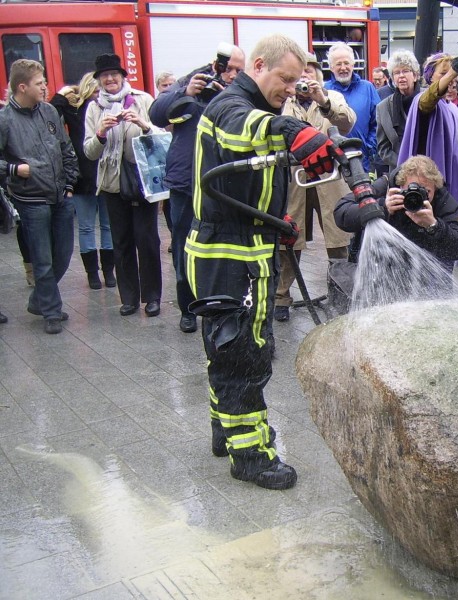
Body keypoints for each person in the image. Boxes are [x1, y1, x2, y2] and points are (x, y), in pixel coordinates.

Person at [187, 34, 345, 490]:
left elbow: (246, 182)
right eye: (285, 79)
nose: (291, 89)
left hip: (237, 246)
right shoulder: (230, 107)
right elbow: (243, 128)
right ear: (258, 65)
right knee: (245, 354)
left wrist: (278, 225)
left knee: (223, 345)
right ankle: (252, 455)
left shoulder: (260, 110)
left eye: (298, 82)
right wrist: (297, 132)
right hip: (230, 255)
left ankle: (226, 431)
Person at [149, 44, 245, 333]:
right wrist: (186, 92)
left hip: (223, 186)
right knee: (183, 250)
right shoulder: (192, 82)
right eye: (229, 68)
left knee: (224, 248)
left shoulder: (240, 93)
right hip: (186, 185)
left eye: (239, 70)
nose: (233, 74)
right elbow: (157, 114)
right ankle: (188, 308)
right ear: (216, 64)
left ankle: (222, 304)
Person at [274, 52, 355, 323]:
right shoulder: (282, 100)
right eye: (301, 73)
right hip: (294, 177)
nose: (306, 78)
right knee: (289, 237)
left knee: (338, 237)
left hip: (329, 176)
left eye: (311, 72)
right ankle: (281, 297)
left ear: (320, 76)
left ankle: (341, 294)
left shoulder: (332, 97)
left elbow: (347, 122)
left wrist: (322, 100)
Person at [0, 59, 78, 334]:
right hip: (31, 200)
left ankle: (39, 300)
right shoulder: (4, 119)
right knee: (42, 260)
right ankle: (51, 312)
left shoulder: (48, 112)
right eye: (39, 83)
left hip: (61, 195)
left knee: (64, 254)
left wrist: (70, 185)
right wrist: (13, 169)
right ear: (22, 87)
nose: (46, 87)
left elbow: (65, 148)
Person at [84, 53, 162, 317]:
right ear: (98, 81)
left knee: (147, 240)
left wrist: (143, 124)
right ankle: (129, 298)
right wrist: (100, 134)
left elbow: (161, 138)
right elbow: (89, 152)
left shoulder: (142, 100)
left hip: (142, 182)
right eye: (104, 76)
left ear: (122, 76)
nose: (109, 79)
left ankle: (153, 297)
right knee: (122, 242)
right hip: (112, 184)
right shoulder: (94, 108)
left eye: (113, 74)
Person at [335, 155, 458, 268]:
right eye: (411, 189)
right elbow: (341, 212)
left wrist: (434, 226)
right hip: (381, 263)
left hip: (424, 269)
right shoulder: (386, 186)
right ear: (400, 185)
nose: (417, 197)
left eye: (426, 192)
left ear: (435, 187)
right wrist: (382, 209)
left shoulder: (441, 199)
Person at [51, 72, 117, 291]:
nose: (99, 94)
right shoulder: (76, 110)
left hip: (106, 174)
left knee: (107, 226)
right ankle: (92, 274)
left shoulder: (111, 106)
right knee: (87, 227)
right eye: (96, 89)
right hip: (83, 177)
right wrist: (62, 94)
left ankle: (108, 271)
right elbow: (52, 111)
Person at [398, 52, 458, 225]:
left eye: (455, 75)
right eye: (443, 73)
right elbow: (429, 99)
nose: (452, 79)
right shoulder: (424, 100)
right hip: (433, 188)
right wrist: (452, 72)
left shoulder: (454, 108)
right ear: (430, 76)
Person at [324, 42, 379, 172]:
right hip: (332, 164)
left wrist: (368, 148)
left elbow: (378, 123)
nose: (343, 68)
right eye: (338, 64)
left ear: (353, 65)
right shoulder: (324, 91)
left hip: (362, 161)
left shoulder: (368, 88)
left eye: (346, 63)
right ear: (331, 67)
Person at [376, 50, 420, 173]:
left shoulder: (428, 99)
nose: (401, 76)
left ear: (415, 75)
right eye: (396, 73)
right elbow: (383, 149)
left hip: (430, 170)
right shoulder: (383, 107)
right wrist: (404, 164)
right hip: (400, 174)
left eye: (406, 71)